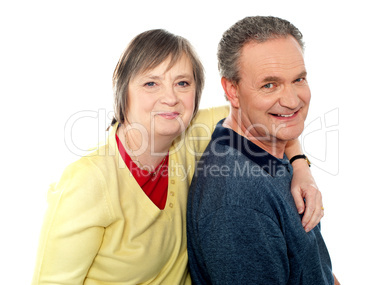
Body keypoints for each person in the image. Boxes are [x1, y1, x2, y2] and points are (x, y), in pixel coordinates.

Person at [32, 29, 323, 284]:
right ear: (123, 93)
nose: (170, 97)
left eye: (183, 83)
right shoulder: (87, 182)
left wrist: (301, 167)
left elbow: (275, 114)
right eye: (151, 83)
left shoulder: (191, 135)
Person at [187, 16, 340, 284]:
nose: (293, 101)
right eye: (270, 85)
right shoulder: (238, 202)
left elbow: (312, 266)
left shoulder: (260, 143)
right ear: (232, 90)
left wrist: (300, 163)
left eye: (298, 79)